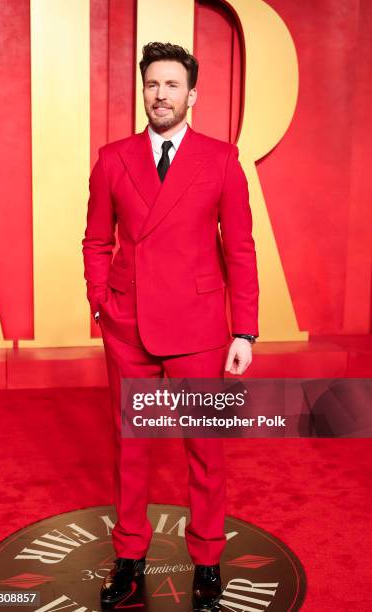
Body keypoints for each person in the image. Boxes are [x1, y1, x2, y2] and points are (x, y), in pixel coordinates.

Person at [82, 41, 259, 611]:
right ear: (144, 90)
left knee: (205, 449)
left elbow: (241, 248)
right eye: (152, 84)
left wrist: (245, 331)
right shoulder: (113, 158)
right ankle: (129, 557)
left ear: (193, 95)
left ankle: (207, 561)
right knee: (131, 448)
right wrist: (102, 304)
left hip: (201, 328)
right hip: (129, 327)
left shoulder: (222, 158)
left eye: (172, 85)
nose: (161, 95)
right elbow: (96, 240)